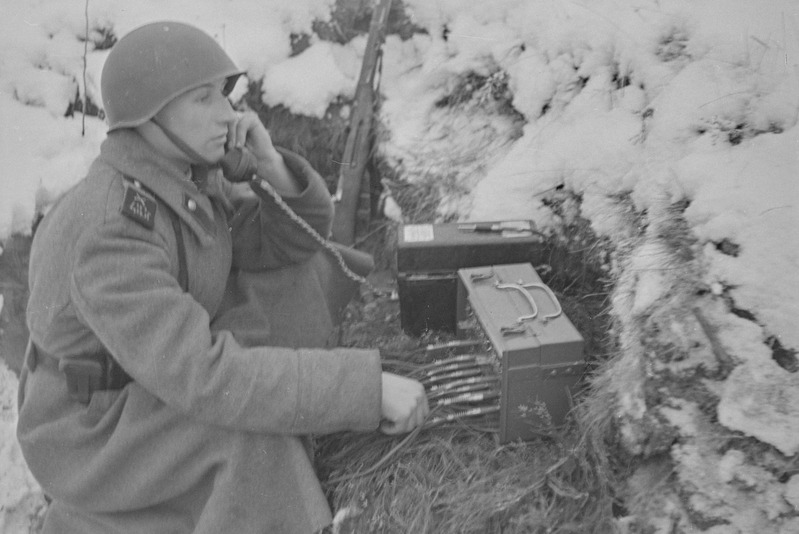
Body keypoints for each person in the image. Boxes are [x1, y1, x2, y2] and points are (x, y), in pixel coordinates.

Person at [16, 20, 429, 534]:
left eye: (224, 96)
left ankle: (306, 397)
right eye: (202, 100)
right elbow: (205, 377)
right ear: (146, 114)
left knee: (300, 272)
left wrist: (268, 164)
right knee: (248, 435)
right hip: (94, 428)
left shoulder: (176, 173)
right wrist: (362, 390)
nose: (228, 114)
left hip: (152, 371)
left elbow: (289, 243)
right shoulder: (111, 231)